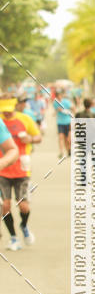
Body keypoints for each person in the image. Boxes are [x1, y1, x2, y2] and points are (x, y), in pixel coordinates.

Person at [0, 95, 41, 250]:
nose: (7, 113)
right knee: (5, 205)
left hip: (22, 168)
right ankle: (13, 237)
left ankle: (24, 226)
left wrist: (30, 139)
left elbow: (38, 137)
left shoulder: (25, 119)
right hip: (3, 172)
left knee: (23, 206)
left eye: (9, 110)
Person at [53, 89, 73, 158]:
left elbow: (73, 109)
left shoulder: (66, 102)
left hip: (68, 121)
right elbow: (55, 112)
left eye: (60, 96)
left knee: (67, 139)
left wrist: (66, 111)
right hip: (60, 122)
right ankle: (61, 152)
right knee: (61, 137)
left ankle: (69, 149)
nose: (59, 98)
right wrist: (56, 111)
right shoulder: (55, 103)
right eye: (57, 97)